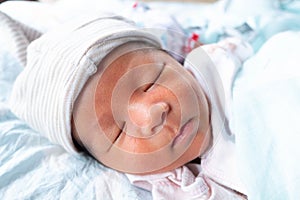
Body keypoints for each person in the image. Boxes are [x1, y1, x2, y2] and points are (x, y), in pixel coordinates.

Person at [3, 10, 253, 199]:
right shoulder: (165, 185)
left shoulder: (224, 67)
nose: (153, 114)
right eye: (119, 131)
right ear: (105, 163)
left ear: (174, 60)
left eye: (151, 82)